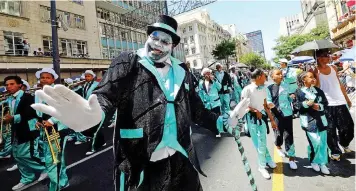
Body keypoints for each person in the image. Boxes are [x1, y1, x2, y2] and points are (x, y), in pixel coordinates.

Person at [32, 15, 243, 191]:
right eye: (155, 37)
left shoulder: (183, 72)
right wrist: (94, 116)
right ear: (148, 37)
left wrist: (224, 122)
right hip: (140, 163)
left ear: (174, 45)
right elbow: (106, 95)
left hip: (182, 159)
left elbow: (197, 111)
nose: (158, 44)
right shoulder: (128, 62)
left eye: (165, 41)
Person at [3, 76, 46, 190]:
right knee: (17, 156)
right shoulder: (9, 99)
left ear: (20, 85)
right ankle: (27, 178)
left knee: (29, 155)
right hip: (16, 131)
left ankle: (46, 168)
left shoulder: (28, 97)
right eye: (7, 85)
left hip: (28, 131)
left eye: (12, 84)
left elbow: (31, 113)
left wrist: (12, 118)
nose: (8, 87)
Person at [314, 49, 354, 161]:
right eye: (320, 56)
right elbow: (316, 88)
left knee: (348, 127)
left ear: (328, 57)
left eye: (325, 56)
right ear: (316, 58)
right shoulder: (314, 70)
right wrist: (317, 76)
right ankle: (335, 150)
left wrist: (347, 99)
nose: (323, 58)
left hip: (340, 102)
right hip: (326, 104)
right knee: (330, 129)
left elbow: (339, 84)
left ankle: (344, 143)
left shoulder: (334, 68)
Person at [34, 68, 70, 190]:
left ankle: (56, 185)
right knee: (53, 158)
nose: (44, 79)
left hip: (58, 129)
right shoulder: (39, 93)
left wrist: (51, 121)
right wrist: (38, 121)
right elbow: (39, 111)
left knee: (54, 160)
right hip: (45, 130)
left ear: (53, 79)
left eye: (47, 77)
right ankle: (62, 181)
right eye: (42, 77)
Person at [241, 69, 277, 179]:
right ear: (259, 77)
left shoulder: (264, 89)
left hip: (262, 119)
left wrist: (272, 120)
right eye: (264, 76)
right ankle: (265, 162)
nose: (266, 79)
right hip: (252, 120)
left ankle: (263, 164)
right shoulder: (247, 89)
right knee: (258, 142)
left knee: (262, 141)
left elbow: (265, 105)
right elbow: (242, 106)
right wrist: (255, 111)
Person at [295, 71, 330, 174]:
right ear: (303, 80)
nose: (313, 79)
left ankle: (322, 163)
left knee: (323, 143)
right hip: (308, 121)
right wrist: (305, 104)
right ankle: (314, 161)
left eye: (313, 77)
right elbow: (296, 106)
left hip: (321, 120)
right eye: (310, 77)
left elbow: (325, 103)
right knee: (316, 142)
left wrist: (318, 106)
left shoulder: (319, 91)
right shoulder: (299, 92)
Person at [267, 69, 297, 170]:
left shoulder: (286, 85)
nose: (281, 75)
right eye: (278, 74)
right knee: (278, 133)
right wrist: (270, 105)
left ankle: (291, 158)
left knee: (289, 134)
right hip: (276, 114)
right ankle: (278, 146)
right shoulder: (269, 88)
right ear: (272, 77)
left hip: (288, 113)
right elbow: (269, 101)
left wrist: (291, 97)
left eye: (281, 74)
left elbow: (289, 98)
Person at [79, 70, 106, 155]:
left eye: (89, 76)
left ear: (93, 77)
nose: (87, 78)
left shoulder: (97, 85)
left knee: (95, 128)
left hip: (96, 108)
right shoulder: (84, 86)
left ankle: (93, 148)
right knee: (93, 127)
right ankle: (102, 141)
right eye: (86, 76)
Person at [198, 68, 224, 137]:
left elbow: (220, 87)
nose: (208, 74)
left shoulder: (214, 81)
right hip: (208, 105)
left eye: (209, 73)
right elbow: (201, 93)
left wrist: (214, 80)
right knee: (211, 119)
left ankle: (219, 131)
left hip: (216, 103)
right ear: (204, 75)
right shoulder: (201, 83)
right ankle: (215, 130)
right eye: (207, 73)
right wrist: (202, 102)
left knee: (217, 118)